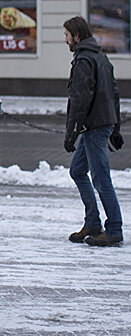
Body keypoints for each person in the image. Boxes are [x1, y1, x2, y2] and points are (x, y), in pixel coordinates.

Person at [63, 16, 124, 247]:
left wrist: (71, 133)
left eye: (67, 36)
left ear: (77, 36)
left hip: (94, 127)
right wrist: (115, 126)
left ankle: (114, 229)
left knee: (100, 178)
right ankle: (92, 223)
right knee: (78, 171)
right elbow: (114, 93)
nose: (65, 40)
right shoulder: (100, 56)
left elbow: (79, 100)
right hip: (100, 124)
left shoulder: (84, 60)